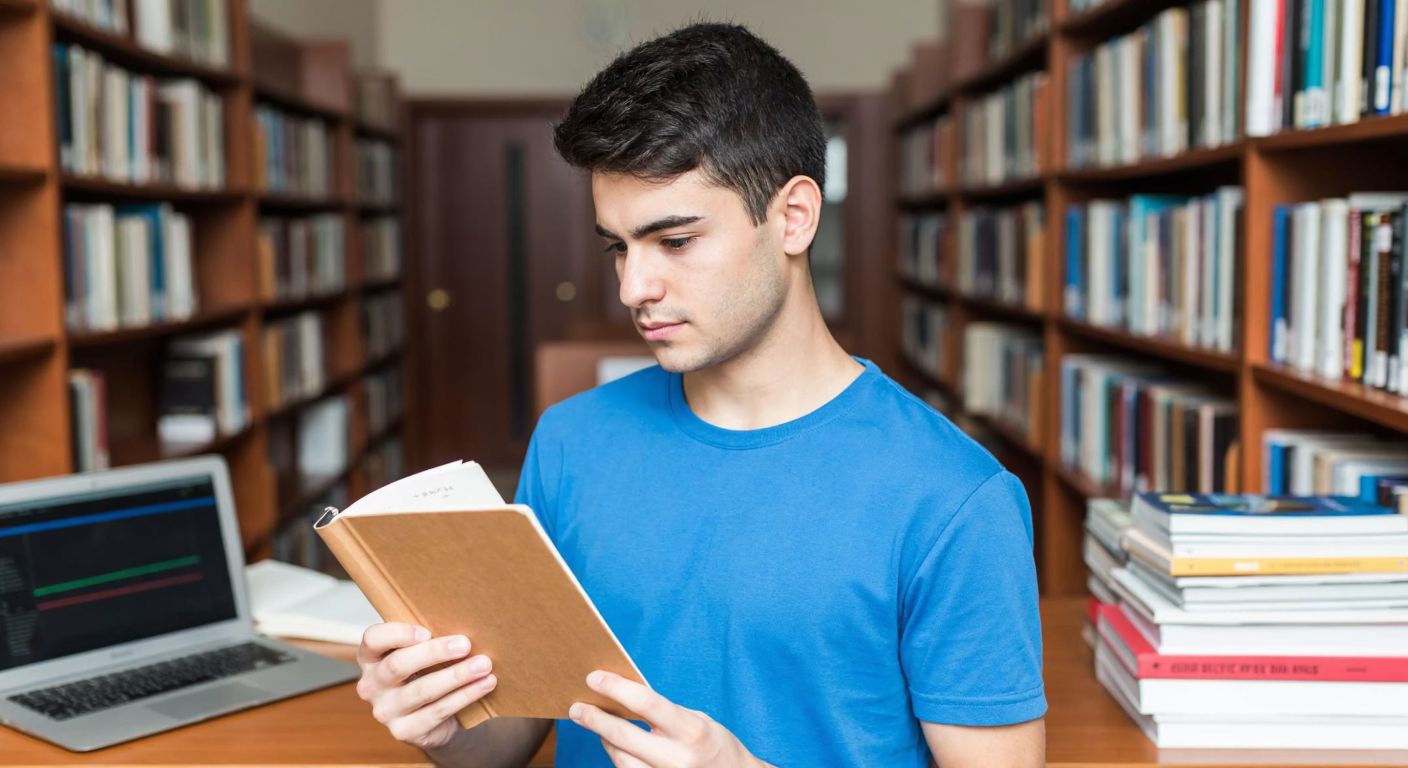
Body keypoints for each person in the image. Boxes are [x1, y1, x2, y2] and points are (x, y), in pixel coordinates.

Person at [353, 22, 1046, 767]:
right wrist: (445, 726)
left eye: (674, 241)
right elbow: (512, 741)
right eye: (618, 246)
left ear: (794, 217)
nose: (633, 287)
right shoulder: (570, 442)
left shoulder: (953, 499)